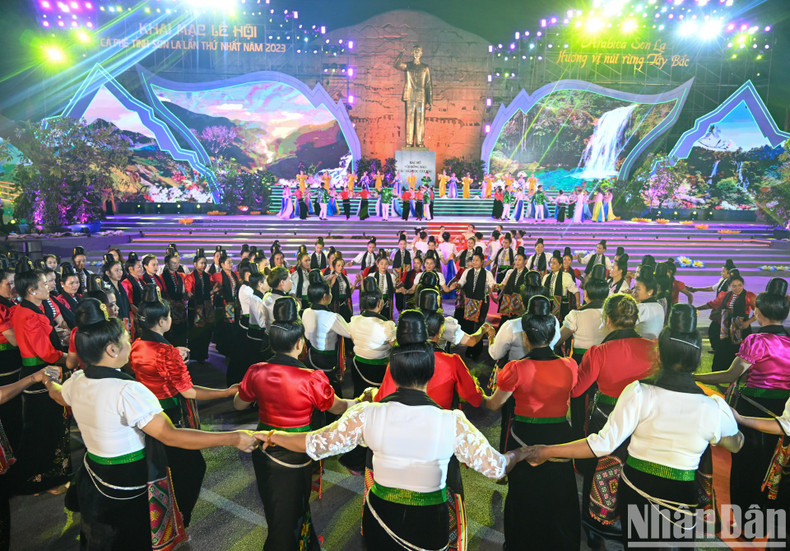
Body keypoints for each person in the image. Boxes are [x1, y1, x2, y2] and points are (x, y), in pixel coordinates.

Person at [267, 313, 529, 551]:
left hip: (380, 518)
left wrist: (271, 436)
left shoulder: (366, 415)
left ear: (392, 370)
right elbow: (496, 467)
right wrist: (521, 453)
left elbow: (316, 443)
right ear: (428, 372)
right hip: (429, 523)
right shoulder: (452, 423)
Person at [525, 304, 743, 550]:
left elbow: (602, 443)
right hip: (682, 497)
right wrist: (732, 420)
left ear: (659, 354)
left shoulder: (639, 393)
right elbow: (735, 444)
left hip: (637, 492)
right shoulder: (713, 408)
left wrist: (545, 450)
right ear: (698, 359)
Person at [50, 298, 259, 550]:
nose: (131, 343)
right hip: (127, 483)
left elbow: (58, 394)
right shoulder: (128, 391)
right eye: (126, 339)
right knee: (132, 538)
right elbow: (170, 435)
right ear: (112, 350)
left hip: (93, 476)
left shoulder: (77, 380)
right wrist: (233, 437)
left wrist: (47, 380)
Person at [234, 296, 354, 550]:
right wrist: (355, 403)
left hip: (264, 448)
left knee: (275, 505)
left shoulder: (256, 370)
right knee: (294, 506)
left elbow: (239, 404)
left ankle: (301, 540)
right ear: (300, 344)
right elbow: (336, 406)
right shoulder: (312, 378)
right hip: (297, 450)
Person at [130, 285, 239, 527]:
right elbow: (188, 391)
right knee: (192, 467)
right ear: (160, 322)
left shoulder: (137, 343)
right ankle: (180, 517)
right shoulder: (166, 352)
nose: (172, 319)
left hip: (146, 412)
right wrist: (226, 391)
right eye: (168, 316)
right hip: (167, 415)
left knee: (160, 467)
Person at [485, 296, 580, 551]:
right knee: (559, 492)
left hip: (524, 434)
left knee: (525, 493)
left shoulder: (516, 368)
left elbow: (494, 404)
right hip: (561, 434)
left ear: (526, 338)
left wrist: (474, 393)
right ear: (552, 336)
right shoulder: (570, 365)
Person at [695, 278, 790, 521]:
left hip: (752, 409)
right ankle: (770, 513)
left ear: (758, 313)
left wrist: (696, 375)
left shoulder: (757, 341)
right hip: (782, 412)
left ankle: (746, 517)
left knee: (747, 463)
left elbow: (730, 375)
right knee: (774, 463)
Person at [569, 294, 655, 544]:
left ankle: (601, 528)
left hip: (607, 419)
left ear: (608, 319)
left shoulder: (599, 352)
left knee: (603, 472)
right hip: (644, 419)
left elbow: (577, 390)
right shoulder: (653, 347)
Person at [11, 261, 70, 495]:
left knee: (40, 427)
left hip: (36, 371)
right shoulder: (30, 315)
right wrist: (69, 356)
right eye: (44, 284)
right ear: (32, 291)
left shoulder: (24, 310)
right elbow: (45, 352)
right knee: (46, 428)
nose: (49, 286)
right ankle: (42, 480)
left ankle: (39, 479)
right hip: (43, 373)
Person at [302, 276, 351, 398]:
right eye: (329, 293)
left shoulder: (306, 312)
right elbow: (349, 332)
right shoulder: (332, 317)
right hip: (327, 361)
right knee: (331, 395)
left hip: (311, 356)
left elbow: (307, 335)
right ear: (325, 297)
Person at [697, 272, 756, 372]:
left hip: (742, 328)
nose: (737, 288)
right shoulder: (724, 295)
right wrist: (695, 308)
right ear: (729, 286)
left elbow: (758, 311)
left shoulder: (749, 296)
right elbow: (712, 304)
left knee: (741, 351)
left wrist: (748, 322)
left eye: (740, 285)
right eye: (734, 286)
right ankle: (720, 372)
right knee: (722, 349)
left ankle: (740, 373)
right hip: (726, 328)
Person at [348, 288, 397, 398]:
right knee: (378, 398)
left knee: (359, 396)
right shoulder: (386, 325)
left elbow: (353, 340)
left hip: (358, 366)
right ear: (380, 303)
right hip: (378, 370)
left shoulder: (354, 320)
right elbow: (395, 347)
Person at [687, 259, 736, 352]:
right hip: (721, 310)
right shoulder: (724, 281)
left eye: (723, 271)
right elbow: (713, 288)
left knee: (716, 330)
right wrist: (696, 289)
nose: (721, 273)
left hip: (725, 311)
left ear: (729, 273)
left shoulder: (730, 285)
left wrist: (697, 308)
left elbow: (716, 302)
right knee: (717, 330)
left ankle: (720, 349)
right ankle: (718, 348)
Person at [457, 249, 494, 360]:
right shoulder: (467, 272)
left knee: (478, 326)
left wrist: (495, 287)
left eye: (477, 260)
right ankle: (469, 349)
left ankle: (477, 350)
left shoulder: (487, 274)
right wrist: (457, 285)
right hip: (470, 303)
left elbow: (492, 284)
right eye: (473, 260)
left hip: (482, 303)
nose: (474, 262)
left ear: (482, 261)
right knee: (468, 325)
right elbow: (461, 282)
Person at [184, 249, 214, 364]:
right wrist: (189, 294)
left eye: (205, 263)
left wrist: (213, 290)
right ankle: (195, 354)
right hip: (196, 308)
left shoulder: (208, 276)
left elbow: (210, 290)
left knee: (206, 330)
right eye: (201, 263)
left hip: (207, 307)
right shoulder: (190, 277)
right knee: (196, 331)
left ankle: (203, 354)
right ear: (195, 264)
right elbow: (188, 292)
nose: (203, 265)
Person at [210, 251, 238, 358]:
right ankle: (224, 348)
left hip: (233, 304)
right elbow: (214, 289)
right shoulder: (217, 276)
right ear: (222, 264)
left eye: (231, 262)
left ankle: (230, 347)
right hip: (224, 304)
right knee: (225, 327)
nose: (231, 264)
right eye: (228, 262)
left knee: (232, 327)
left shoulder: (234, 274)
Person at [542, 253, 580, 324]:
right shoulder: (546, 277)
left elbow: (576, 291)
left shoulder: (565, 276)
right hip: (547, 306)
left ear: (560, 265)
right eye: (551, 263)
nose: (551, 265)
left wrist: (578, 305)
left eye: (554, 263)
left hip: (561, 308)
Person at [633, 274, 664, 340]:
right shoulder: (659, 306)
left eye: (638, 289)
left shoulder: (643, 307)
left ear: (650, 291)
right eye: (634, 288)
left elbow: (624, 324)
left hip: (642, 345)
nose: (634, 292)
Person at [54, 262, 81, 329]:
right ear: (62, 284)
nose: (75, 286)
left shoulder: (80, 297)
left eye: (77, 282)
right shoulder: (60, 300)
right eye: (71, 283)